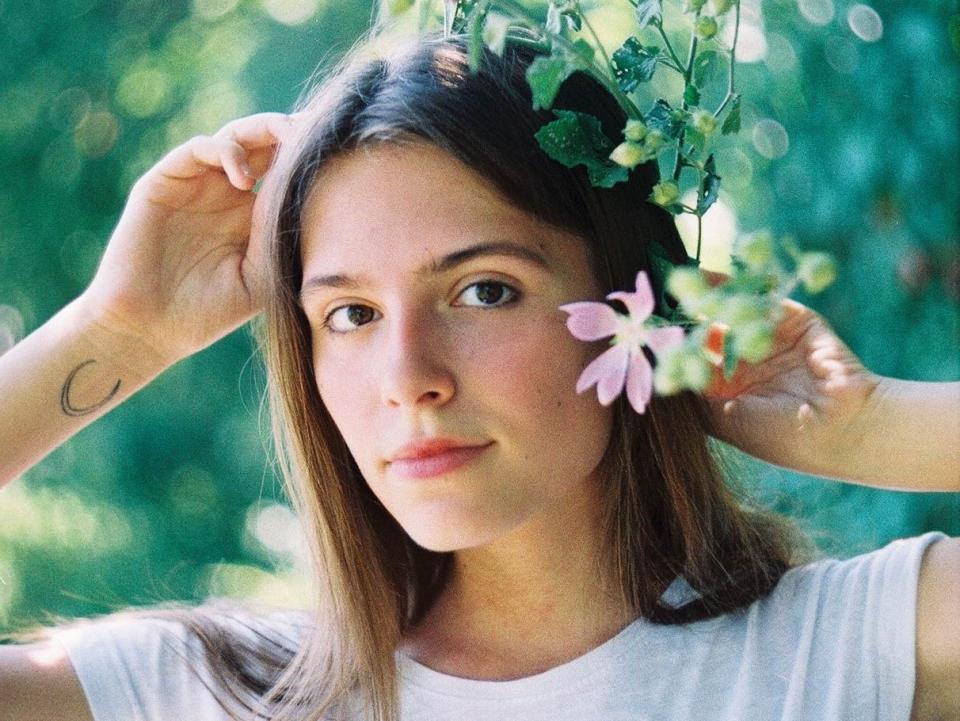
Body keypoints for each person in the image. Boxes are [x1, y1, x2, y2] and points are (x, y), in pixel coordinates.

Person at [1, 28, 958, 721]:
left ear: (637, 306)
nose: (407, 376)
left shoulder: (851, 650)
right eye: (352, 314)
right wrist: (118, 334)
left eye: (484, 291)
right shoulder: (199, 694)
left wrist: (870, 427)